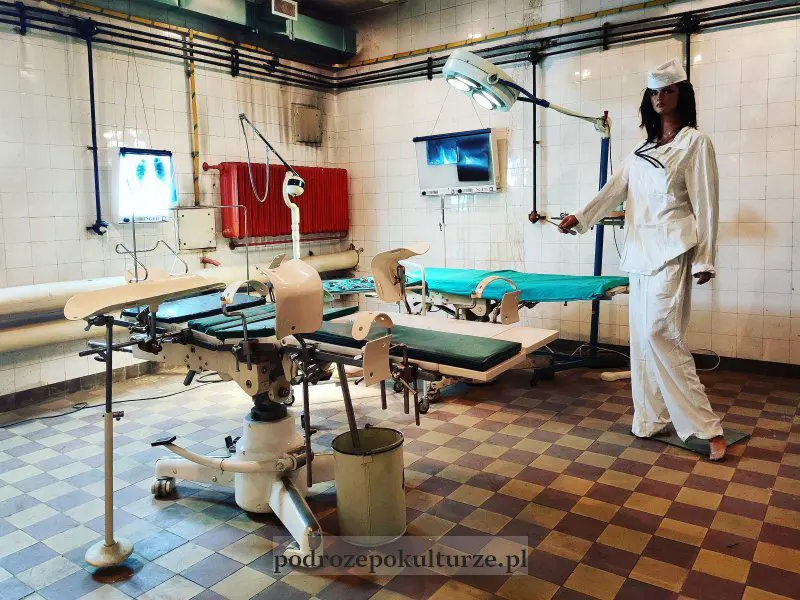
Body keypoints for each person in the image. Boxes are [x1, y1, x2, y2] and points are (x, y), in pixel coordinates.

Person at [558, 58, 727, 461]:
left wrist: (705, 258)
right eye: (654, 92)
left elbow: (707, 204)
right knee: (642, 341)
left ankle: (706, 427)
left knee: (660, 333)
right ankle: (650, 419)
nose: (660, 98)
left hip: (672, 251)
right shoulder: (642, 150)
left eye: (668, 90)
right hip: (639, 254)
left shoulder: (695, 142)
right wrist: (580, 217)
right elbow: (613, 189)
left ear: (681, 95)